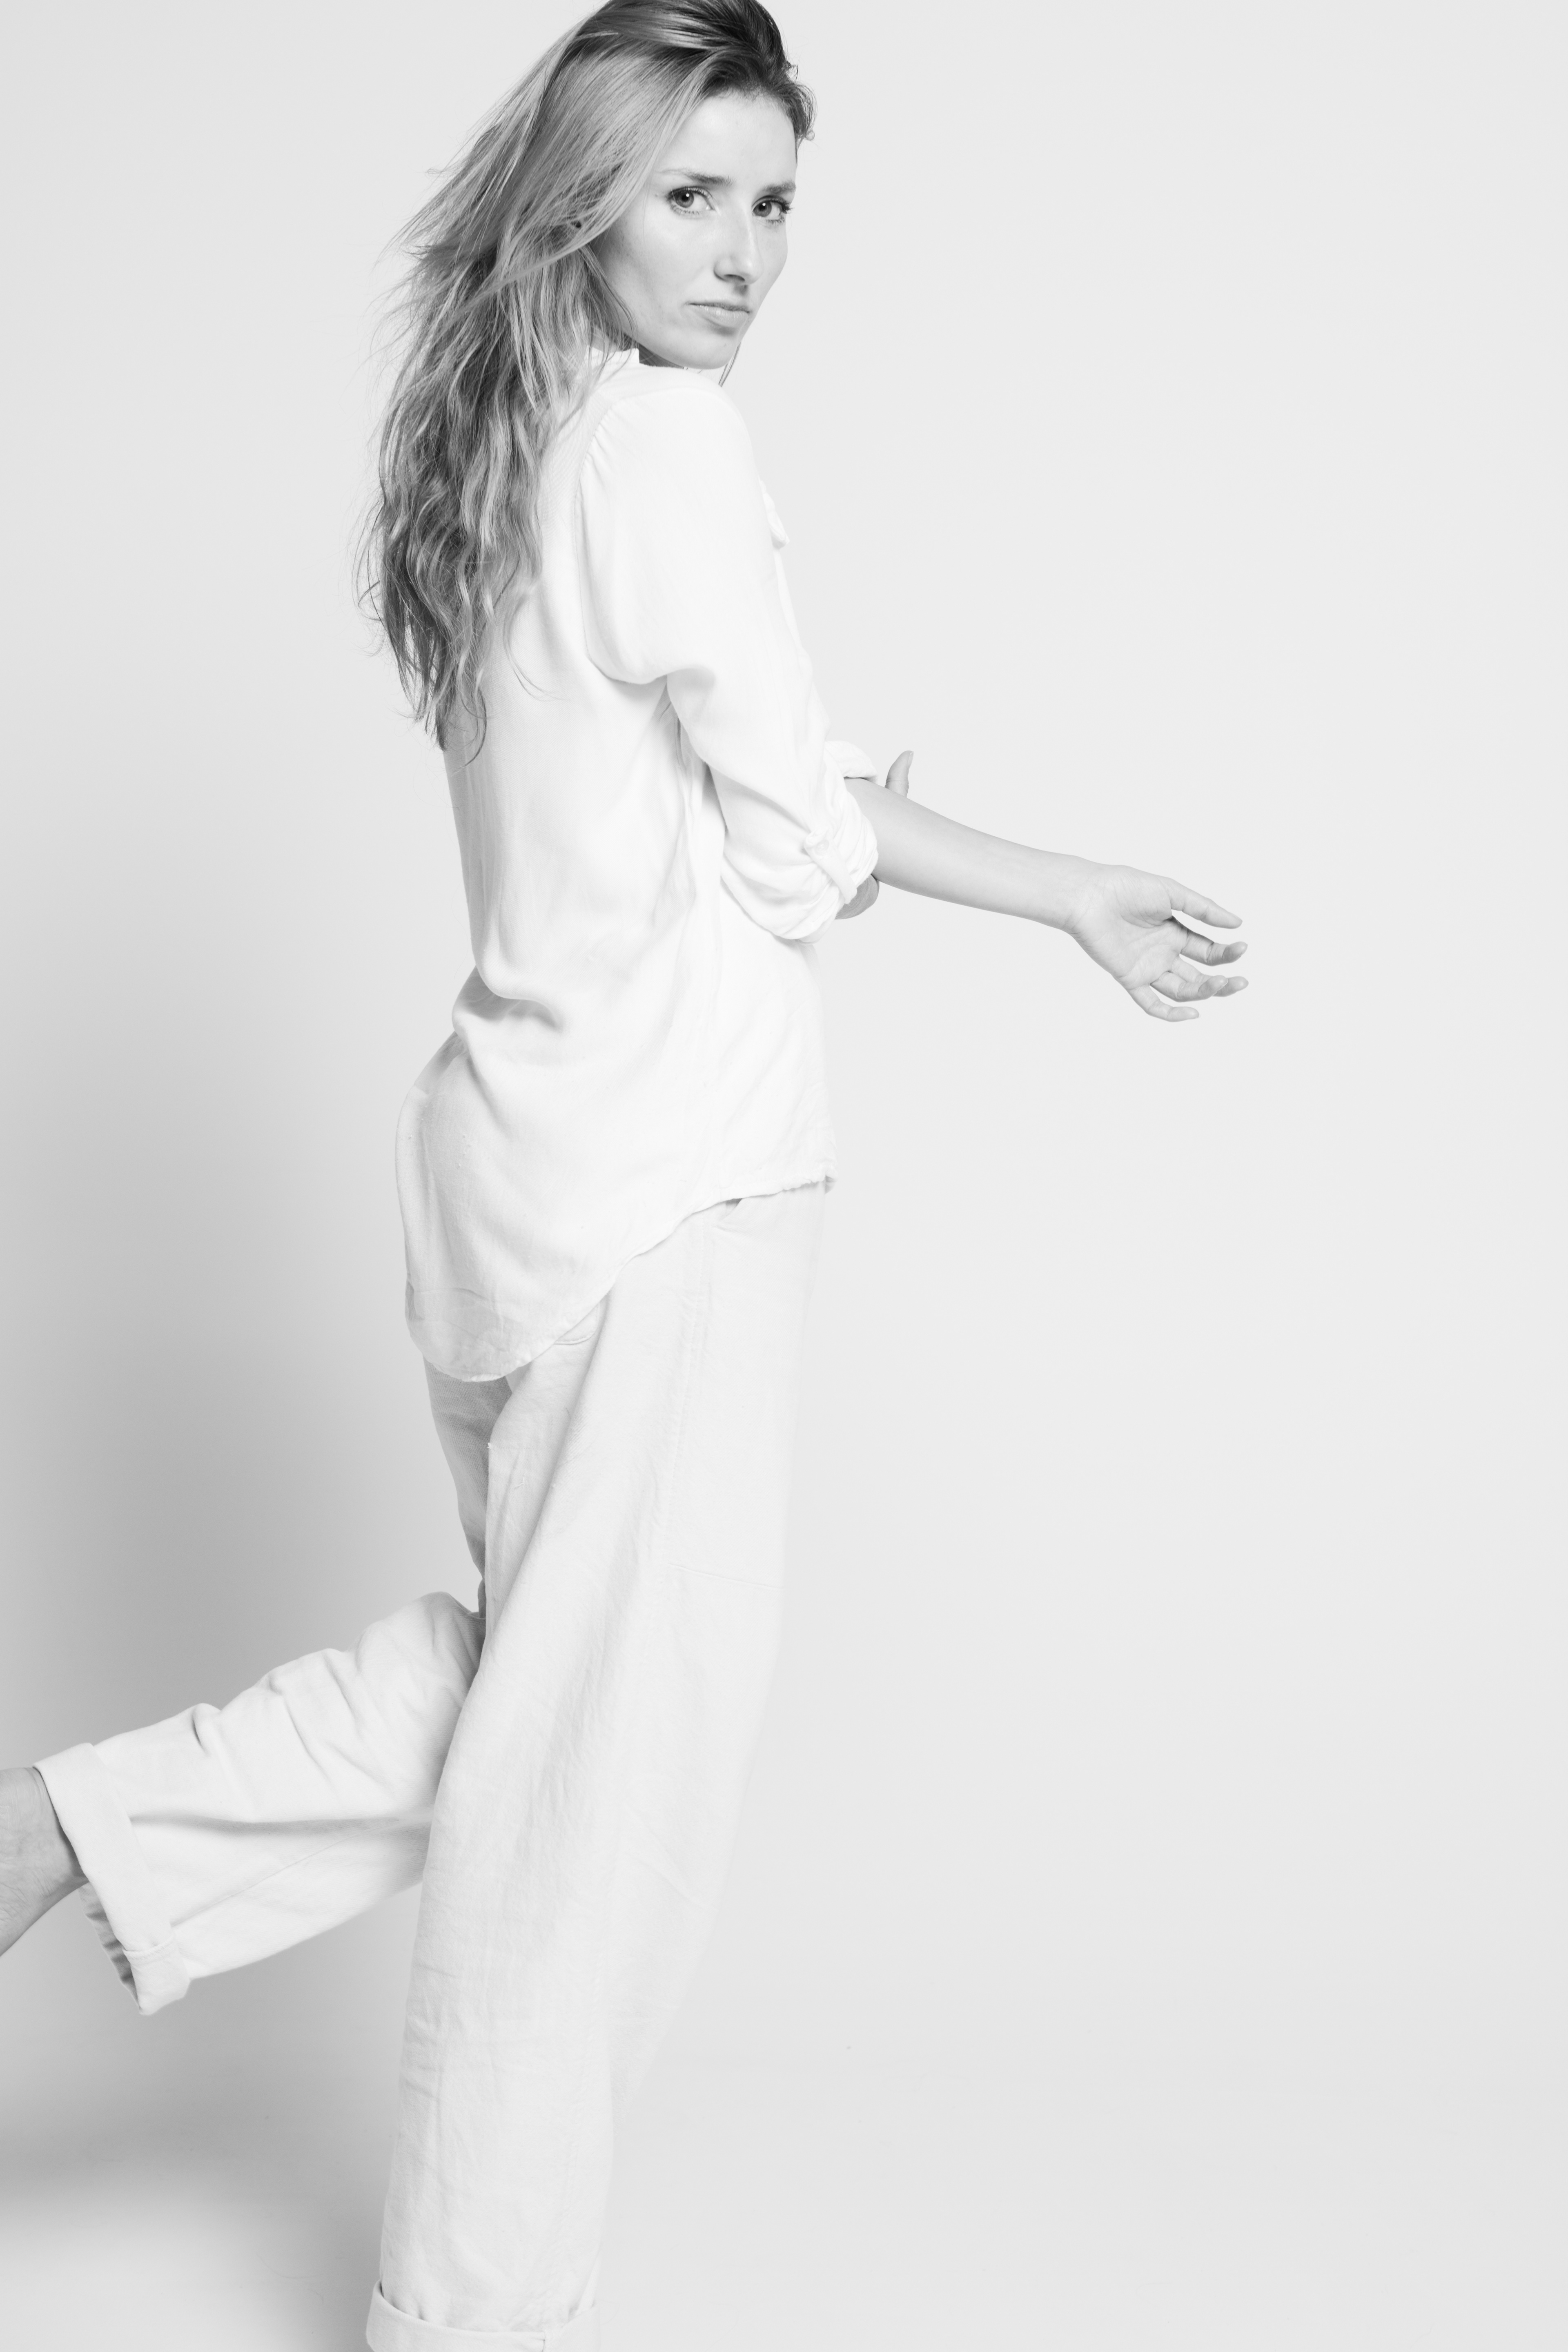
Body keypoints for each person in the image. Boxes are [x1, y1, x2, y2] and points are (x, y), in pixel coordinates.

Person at [0, 4, 1247, 2345]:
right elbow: (786, 839)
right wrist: (958, 850)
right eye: (694, 195)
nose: (746, 251)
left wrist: (970, 856)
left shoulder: (505, 441)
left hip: (515, 1182)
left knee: (547, 1708)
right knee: (593, 1813)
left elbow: (717, 800)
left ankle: (75, 1833)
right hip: (670, 1189)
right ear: (588, 199)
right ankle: (465, 2320)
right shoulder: (669, 441)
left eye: (774, 202)